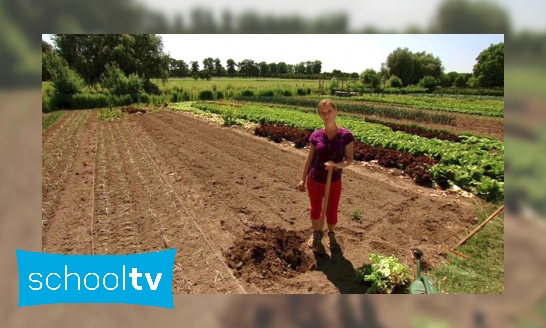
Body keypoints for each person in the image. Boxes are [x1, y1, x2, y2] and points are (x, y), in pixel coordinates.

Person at [298, 99, 355, 254]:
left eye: (329, 111)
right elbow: (309, 159)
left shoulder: (346, 136)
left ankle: (331, 234)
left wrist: (336, 165)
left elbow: (349, 160)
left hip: (334, 180)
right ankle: (316, 234)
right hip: (315, 179)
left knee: (332, 209)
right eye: (323, 113)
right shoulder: (316, 135)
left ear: (336, 111)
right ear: (320, 115)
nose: (327, 115)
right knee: (315, 208)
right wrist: (303, 179)